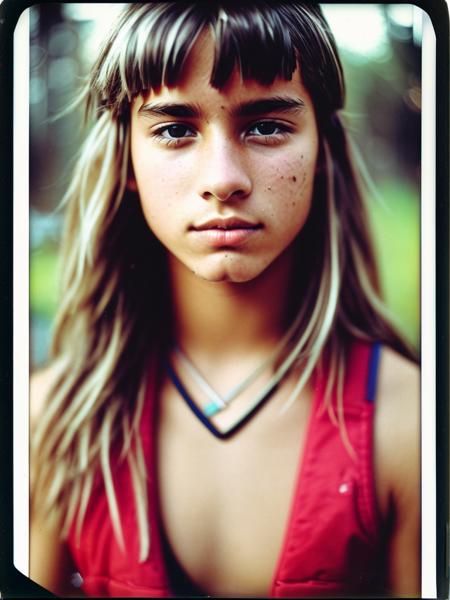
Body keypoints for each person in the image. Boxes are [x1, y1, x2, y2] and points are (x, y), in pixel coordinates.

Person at [30, 2, 420, 598]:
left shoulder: (411, 424)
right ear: (127, 160)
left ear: (324, 151)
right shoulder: (50, 422)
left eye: (265, 126)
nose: (223, 177)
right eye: (175, 129)